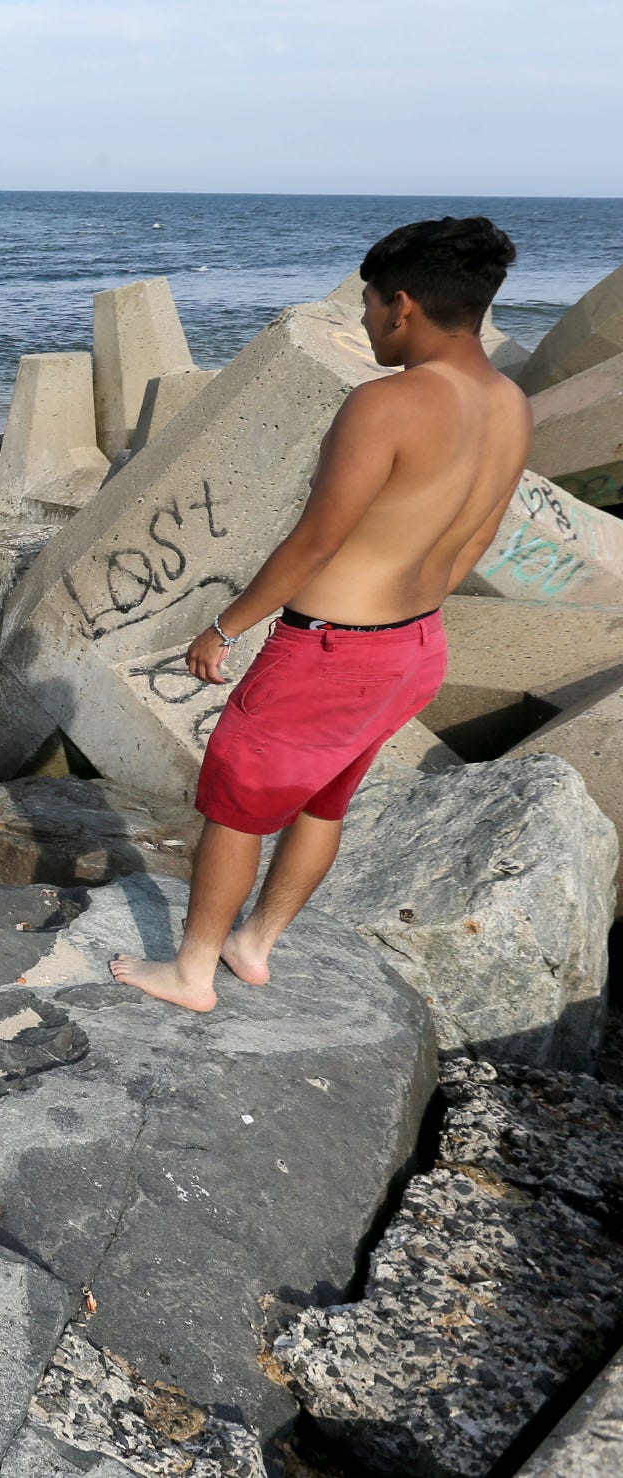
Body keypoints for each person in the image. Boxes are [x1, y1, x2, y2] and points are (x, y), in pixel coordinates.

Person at [111, 217, 531, 1012]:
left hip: (330, 651)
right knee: (322, 800)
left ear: (401, 304)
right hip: (415, 647)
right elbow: (476, 536)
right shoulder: (509, 403)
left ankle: (192, 972)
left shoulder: (389, 403)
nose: (366, 322)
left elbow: (316, 539)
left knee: (235, 809)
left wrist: (226, 626)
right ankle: (255, 945)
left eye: (368, 306)